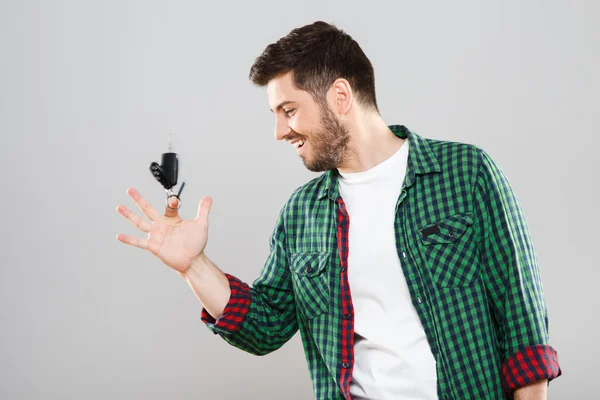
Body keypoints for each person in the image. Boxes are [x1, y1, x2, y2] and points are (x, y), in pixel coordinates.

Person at [116, 21, 562, 400]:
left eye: (288, 110)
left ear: (341, 96)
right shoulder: (302, 213)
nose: (278, 131)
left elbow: (522, 324)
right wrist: (193, 266)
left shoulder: (466, 173)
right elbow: (265, 326)